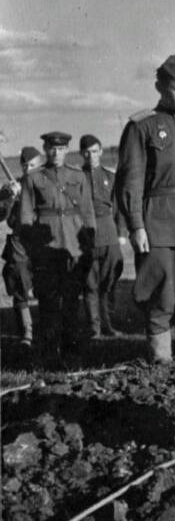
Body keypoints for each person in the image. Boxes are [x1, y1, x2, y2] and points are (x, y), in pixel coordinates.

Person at [117, 55, 175, 363]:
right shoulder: (142, 126)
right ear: (160, 87)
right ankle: (162, 364)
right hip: (159, 224)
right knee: (160, 296)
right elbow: (130, 180)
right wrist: (136, 225)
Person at [18, 132, 96, 366]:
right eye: (52, 148)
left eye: (61, 149)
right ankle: (50, 354)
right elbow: (25, 217)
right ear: (45, 149)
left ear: (67, 150)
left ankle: (72, 353)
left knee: (71, 301)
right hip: (46, 248)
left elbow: (88, 213)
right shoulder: (33, 178)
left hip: (73, 247)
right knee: (48, 303)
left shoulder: (78, 176)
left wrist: (89, 245)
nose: (56, 152)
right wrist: (33, 250)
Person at [79, 134, 123, 339]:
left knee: (109, 281)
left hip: (108, 232)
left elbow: (118, 207)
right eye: (87, 152)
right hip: (85, 234)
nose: (91, 156)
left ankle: (109, 325)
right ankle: (94, 328)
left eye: (95, 151)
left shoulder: (110, 176)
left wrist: (121, 233)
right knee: (90, 284)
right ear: (82, 153)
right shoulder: (76, 178)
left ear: (101, 152)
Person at [1, 147, 42, 348]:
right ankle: (27, 331)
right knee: (19, 285)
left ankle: (49, 328)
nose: (28, 169)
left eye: (32, 165)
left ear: (40, 164)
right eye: (25, 165)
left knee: (47, 288)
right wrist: (10, 199)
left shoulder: (47, 183)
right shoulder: (12, 187)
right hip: (19, 245)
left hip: (43, 243)